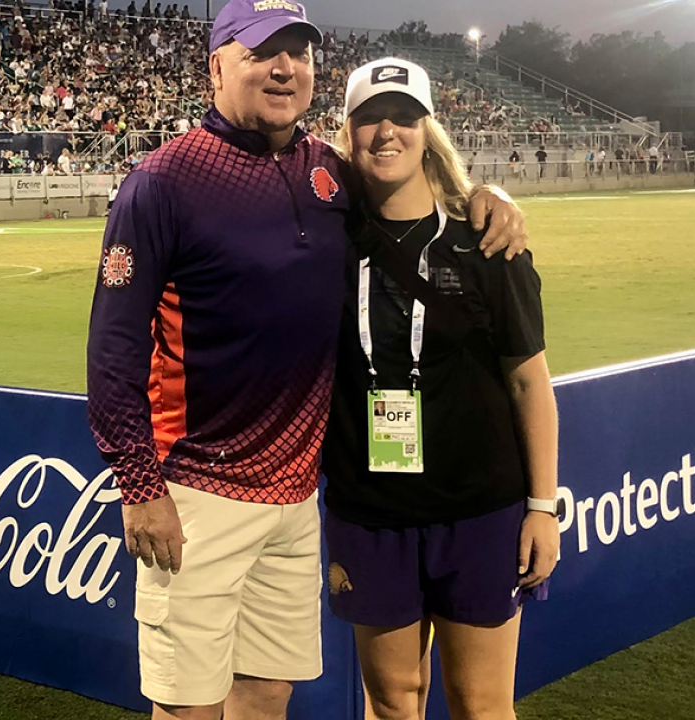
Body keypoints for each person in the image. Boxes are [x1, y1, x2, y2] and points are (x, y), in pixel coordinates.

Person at [86, 2, 528, 718]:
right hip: (200, 494)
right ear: (217, 65)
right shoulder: (163, 182)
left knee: (265, 695)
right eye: (262, 51)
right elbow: (112, 348)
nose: (284, 67)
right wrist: (139, 485)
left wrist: (486, 195)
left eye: (298, 51)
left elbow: (410, 188)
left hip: (296, 501)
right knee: (189, 705)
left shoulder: (328, 171)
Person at [323, 57, 559, 720]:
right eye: (370, 119)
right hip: (371, 511)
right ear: (348, 133)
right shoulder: (323, 246)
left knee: (482, 705)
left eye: (403, 117)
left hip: (479, 510)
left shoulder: (488, 244)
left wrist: (543, 507)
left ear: (428, 130)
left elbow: (527, 382)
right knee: (393, 701)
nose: (386, 132)